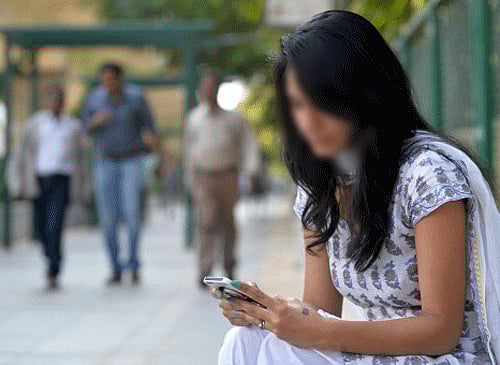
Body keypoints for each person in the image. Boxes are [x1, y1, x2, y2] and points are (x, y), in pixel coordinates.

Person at [212, 10, 500, 364]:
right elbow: (319, 309)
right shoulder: (320, 184)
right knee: (246, 339)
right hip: (373, 355)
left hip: (442, 358)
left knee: (275, 353)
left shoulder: (428, 175)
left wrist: (318, 331)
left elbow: (441, 331)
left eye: (324, 103)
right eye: (299, 105)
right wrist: (271, 315)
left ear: (364, 95)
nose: (309, 122)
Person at [82, 63, 166, 285]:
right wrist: (95, 122)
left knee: (131, 214)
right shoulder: (95, 98)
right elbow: (84, 128)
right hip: (105, 162)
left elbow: (151, 128)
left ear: (120, 80)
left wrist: (159, 160)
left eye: (111, 80)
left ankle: (133, 264)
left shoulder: (136, 97)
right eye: (104, 80)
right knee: (108, 218)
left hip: (131, 160)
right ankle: (115, 267)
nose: (107, 85)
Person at [7, 85, 91, 290]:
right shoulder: (34, 124)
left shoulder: (73, 127)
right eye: (52, 99)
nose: (55, 103)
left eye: (59, 99)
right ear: (46, 101)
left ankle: (54, 265)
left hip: (62, 180)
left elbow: (83, 159)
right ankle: (51, 255)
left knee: (54, 225)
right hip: (38, 180)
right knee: (40, 228)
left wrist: (85, 187)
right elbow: (21, 154)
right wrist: (16, 181)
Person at [184, 69, 261, 288]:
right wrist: (189, 180)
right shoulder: (194, 118)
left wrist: (250, 169)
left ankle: (229, 264)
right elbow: (189, 151)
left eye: (212, 87)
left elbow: (248, 144)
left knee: (228, 222)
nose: (208, 92)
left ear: (218, 89)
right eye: (204, 88)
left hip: (227, 176)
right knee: (207, 222)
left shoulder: (234, 119)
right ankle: (204, 269)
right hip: (203, 177)